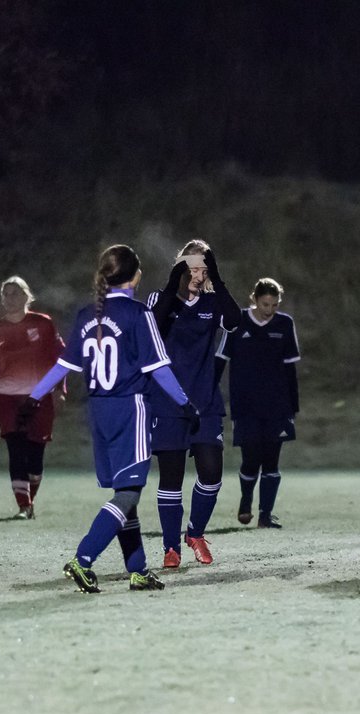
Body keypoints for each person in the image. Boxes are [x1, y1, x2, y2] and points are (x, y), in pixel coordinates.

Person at [22, 244, 198, 594]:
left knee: (124, 491)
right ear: (135, 276)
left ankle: (138, 570)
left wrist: (33, 396)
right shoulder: (138, 314)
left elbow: (64, 366)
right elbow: (158, 368)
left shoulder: (88, 314)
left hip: (98, 412)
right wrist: (185, 403)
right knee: (129, 492)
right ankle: (83, 559)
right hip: (129, 409)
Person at [144, 239, 241, 570]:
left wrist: (218, 275)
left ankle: (195, 533)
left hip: (206, 402)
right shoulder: (161, 298)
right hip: (168, 402)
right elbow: (154, 328)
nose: (198, 275)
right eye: (193, 268)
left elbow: (235, 321)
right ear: (180, 268)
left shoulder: (213, 303)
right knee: (170, 479)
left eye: (204, 268)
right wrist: (174, 283)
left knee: (212, 474)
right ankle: (171, 547)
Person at [0, 276, 66, 519]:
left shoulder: (43, 324)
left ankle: (29, 500)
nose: (10, 298)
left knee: (35, 454)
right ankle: (23, 506)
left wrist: (60, 389)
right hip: (7, 397)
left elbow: (61, 359)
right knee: (16, 450)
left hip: (39, 396)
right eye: (6, 294)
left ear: (27, 296)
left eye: (15, 293)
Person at [217, 278, 300, 529]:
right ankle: (245, 501)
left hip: (277, 405)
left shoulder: (285, 324)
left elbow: (290, 369)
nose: (269, 310)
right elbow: (220, 359)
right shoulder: (237, 322)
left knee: (272, 460)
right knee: (251, 459)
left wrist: (292, 407)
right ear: (254, 299)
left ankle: (265, 515)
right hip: (246, 405)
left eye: (274, 305)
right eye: (265, 304)